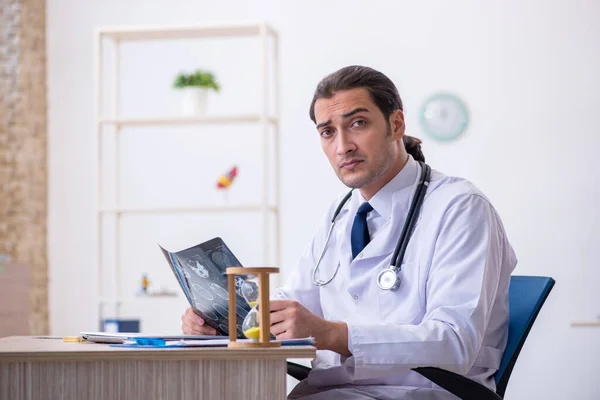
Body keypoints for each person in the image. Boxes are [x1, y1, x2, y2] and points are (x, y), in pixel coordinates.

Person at [181, 65, 517, 399]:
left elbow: (455, 342)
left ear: (396, 124)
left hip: (419, 393)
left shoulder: (459, 207)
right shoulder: (341, 213)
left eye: (358, 123)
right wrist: (223, 320)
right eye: (328, 132)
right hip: (335, 392)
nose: (343, 146)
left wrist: (333, 334)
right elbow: (296, 302)